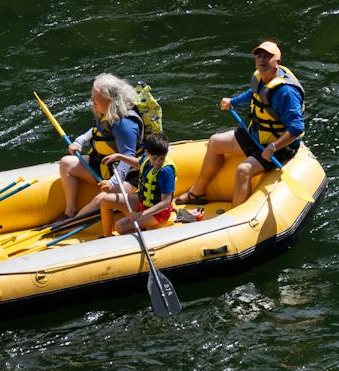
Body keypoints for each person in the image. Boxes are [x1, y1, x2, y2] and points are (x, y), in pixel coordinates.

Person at [177, 40, 306, 209]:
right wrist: (233, 101)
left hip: (279, 147)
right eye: (259, 56)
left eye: (268, 57)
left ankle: (233, 216)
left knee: (243, 170)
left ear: (278, 62)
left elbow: (296, 128)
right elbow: (254, 94)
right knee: (215, 142)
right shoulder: (261, 78)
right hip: (256, 135)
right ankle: (197, 193)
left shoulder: (286, 92)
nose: (262, 60)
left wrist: (273, 147)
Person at [56, 73, 144, 221]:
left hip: (128, 177)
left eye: (95, 98)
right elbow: (99, 130)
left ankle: (71, 223)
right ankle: (69, 212)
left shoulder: (125, 125)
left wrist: (113, 183)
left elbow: (128, 159)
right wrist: (80, 141)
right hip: (105, 165)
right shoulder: (107, 112)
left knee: (101, 199)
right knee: (66, 164)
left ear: (110, 100)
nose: (92, 102)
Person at [99, 132, 176, 237]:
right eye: (154, 159)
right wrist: (119, 156)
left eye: (161, 158)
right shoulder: (147, 159)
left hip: (157, 213)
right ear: (148, 153)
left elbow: (165, 203)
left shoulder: (166, 171)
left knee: (120, 226)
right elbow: (138, 164)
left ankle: (141, 235)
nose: (158, 162)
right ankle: (106, 237)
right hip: (142, 201)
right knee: (105, 200)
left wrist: (141, 215)